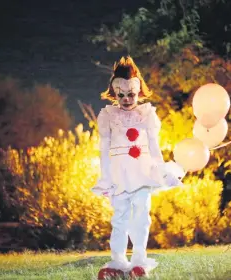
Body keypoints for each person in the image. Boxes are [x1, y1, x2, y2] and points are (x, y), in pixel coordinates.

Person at [91, 56, 185, 279]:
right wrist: (105, 178)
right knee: (120, 217)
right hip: (119, 173)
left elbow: (153, 146)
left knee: (142, 215)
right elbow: (103, 149)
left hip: (142, 171)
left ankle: (139, 259)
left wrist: (161, 170)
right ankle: (118, 260)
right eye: (120, 94)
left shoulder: (147, 114)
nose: (125, 99)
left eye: (130, 94)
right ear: (114, 94)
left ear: (139, 92)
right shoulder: (107, 116)